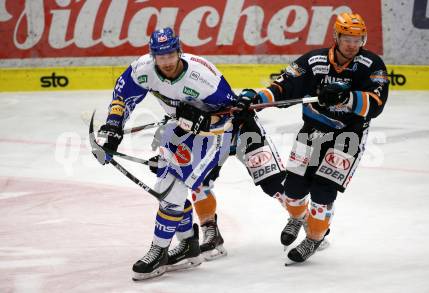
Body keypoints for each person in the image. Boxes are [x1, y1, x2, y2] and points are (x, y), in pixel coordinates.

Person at [93, 27, 240, 280]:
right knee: (165, 181)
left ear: (179, 51)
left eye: (171, 55)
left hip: (214, 134)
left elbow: (234, 112)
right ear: (153, 56)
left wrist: (206, 118)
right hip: (177, 128)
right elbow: (122, 96)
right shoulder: (142, 70)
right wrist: (114, 126)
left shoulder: (202, 75)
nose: (167, 62)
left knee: (173, 189)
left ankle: (159, 250)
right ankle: (187, 246)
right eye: (161, 57)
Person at [250, 12, 389, 263]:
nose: (352, 44)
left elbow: (377, 104)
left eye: (357, 39)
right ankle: (299, 217)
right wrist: (257, 99)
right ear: (336, 36)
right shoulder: (314, 61)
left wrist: (345, 98)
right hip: (312, 133)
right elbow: (284, 86)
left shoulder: (372, 65)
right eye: (347, 38)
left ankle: (315, 238)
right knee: (292, 192)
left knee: (323, 192)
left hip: (349, 136)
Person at [149, 88, 287, 261]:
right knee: (198, 182)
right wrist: (167, 158)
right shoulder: (176, 105)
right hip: (210, 142)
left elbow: (248, 95)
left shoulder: (206, 87)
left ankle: (304, 220)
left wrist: (247, 99)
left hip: (243, 132)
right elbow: (175, 136)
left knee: (273, 184)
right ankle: (210, 231)